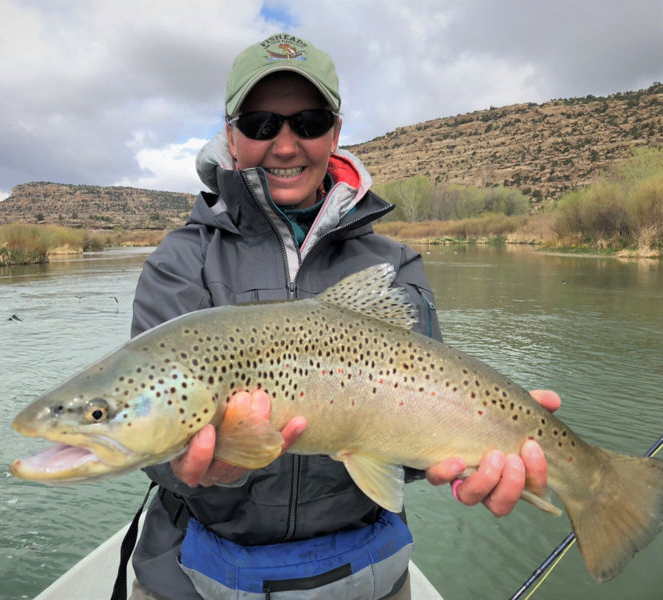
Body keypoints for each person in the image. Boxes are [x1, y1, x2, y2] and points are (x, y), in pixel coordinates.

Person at [129, 32, 560, 600]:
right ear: (231, 136)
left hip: (367, 575)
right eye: (262, 124)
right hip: (199, 574)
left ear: (334, 133)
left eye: (307, 122)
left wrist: (462, 455)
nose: (285, 145)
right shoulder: (181, 261)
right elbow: (146, 434)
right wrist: (188, 465)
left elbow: (402, 459)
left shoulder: (395, 263)